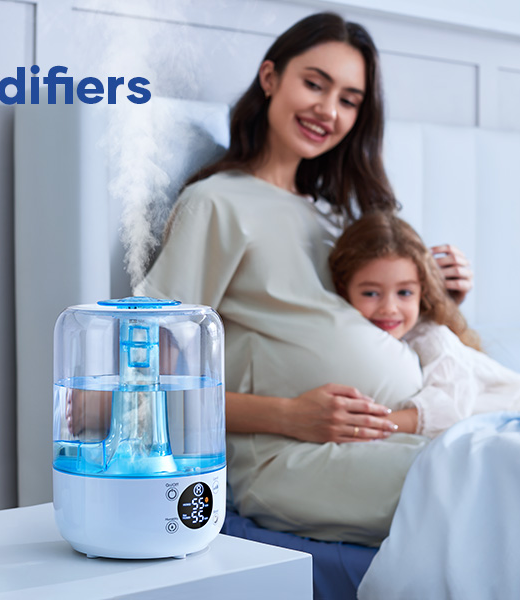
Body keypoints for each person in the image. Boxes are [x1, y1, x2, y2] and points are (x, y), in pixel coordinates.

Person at [135, 12, 472, 545]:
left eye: (348, 100)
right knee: (483, 483)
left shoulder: (334, 220)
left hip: (380, 433)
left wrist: (437, 300)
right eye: (314, 84)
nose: (328, 109)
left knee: (515, 459)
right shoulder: (217, 203)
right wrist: (290, 416)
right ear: (270, 78)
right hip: (284, 454)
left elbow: (352, 331)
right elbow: (149, 380)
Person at [330, 211, 520, 438]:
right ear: (343, 289)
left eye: (404, 292)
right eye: (371, 293)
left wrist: (364, 425)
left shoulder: (432, 338)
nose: (389, 307)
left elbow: (446, 413)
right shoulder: (359, 339)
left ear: (422, 291)